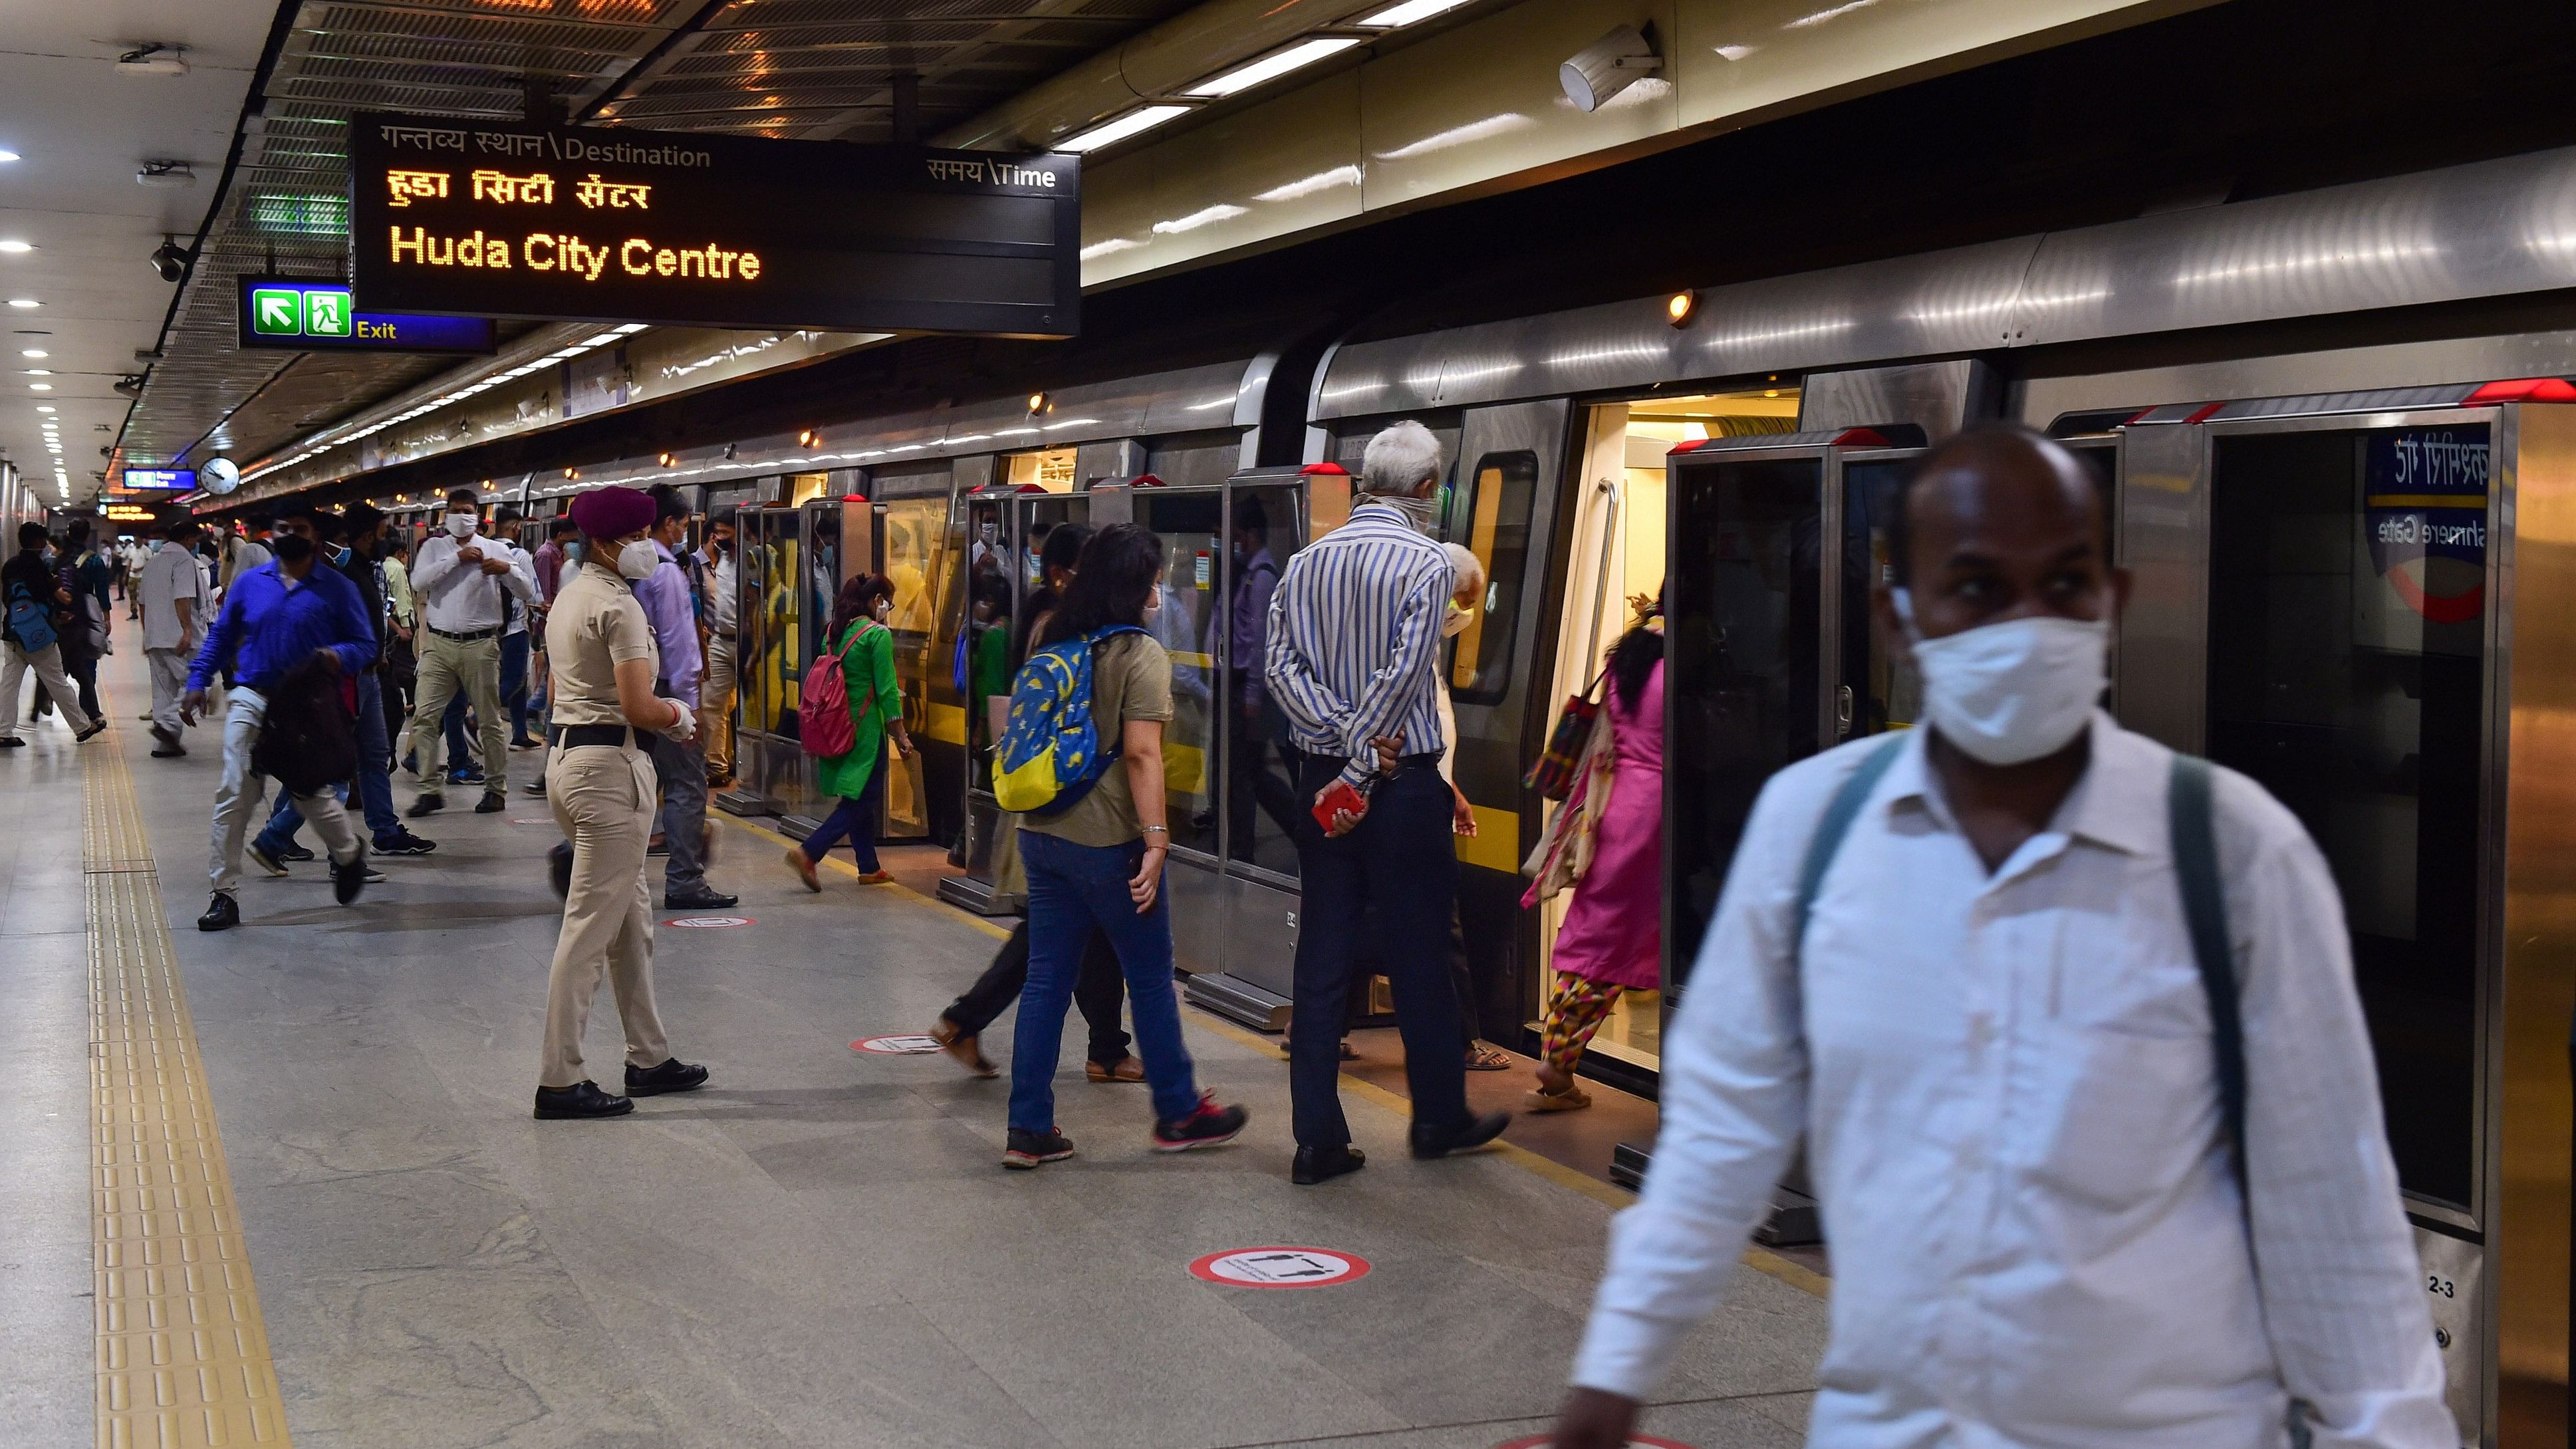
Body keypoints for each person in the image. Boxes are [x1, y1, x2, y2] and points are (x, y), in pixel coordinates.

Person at [1549, 425, 2453, 1449]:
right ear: (1898, 619)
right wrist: (1616, 1368)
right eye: (1976, 587)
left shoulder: (2229, 852)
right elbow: (1723, 1129)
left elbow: (2329, 1196)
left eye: (2061, 582)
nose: (2026, 623)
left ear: (2109, 600)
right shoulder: (1813, 831)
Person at [1264, 420, 1509, 1185]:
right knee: (1421, 952)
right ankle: (1437, 1117)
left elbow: (1278, 669)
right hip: (1401, 790)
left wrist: (1336, 744)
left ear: (1368, 481)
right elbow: (1408, 673)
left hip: (1321, 783)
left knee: (1322, 951)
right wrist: (1369, 756)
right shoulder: (1426, 562)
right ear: (1429, 489)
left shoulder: (1306, 562)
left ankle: (1317, 1138)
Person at [1001, 523, 1247, 1169]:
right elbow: (1141, 753)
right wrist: (1157, 841)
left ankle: (1028, 1127)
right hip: (1109, 844)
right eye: (1154, 580)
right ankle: (1178, 1111)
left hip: (1042, 835)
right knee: (1149, 977)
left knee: (1046, 980)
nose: (1159, 591)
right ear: (1136, 586)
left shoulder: (1056, 636)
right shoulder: (1139, 654)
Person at [931, 521, 1140, 1085]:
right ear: (1061, 574)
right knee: (1051, 939)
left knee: (1083, 937)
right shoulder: (1062, 629)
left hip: (1052, 804)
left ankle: (1105, 1048)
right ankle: (968, 1020)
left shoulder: (1052, 623)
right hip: (1066, 806)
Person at [534, 485, 708, 1120]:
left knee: (630, 921)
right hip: (610, 772)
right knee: (587, 929)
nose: (648, 546)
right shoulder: (620, 608)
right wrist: (681, 716)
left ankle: (650, 1057)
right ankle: (560, 1078)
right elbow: (639, 705)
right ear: (607, 543)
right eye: (637, 536)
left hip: (569, 761)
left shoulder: (569, 596)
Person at [184, 531, 376, 933]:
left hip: (304, 705)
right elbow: (222, 633)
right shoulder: (252, 583)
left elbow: (364, 644)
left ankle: (347, 853)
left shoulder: (337, 588)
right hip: (251, 695)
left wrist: (336, 655)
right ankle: (224, 894)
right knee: (235, 790)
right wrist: (198, 679)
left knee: (310, 794)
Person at [1517, 592, 1662, 1113]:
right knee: (1621, 942)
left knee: (1595, 928)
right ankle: (1557, 1064)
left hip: (1612, 805)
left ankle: (1558, 1055)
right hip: (1657, 814)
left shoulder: (1628, 657)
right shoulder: (1690, 666)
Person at [249, 506, 436, 870]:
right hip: (342, 684)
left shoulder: (363, 571)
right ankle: (285, 840)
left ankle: (383, 830)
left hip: (368, 678)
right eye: (380, 533)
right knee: (328, 769)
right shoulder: (331, 577)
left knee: (372, 758)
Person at [406, 487, 536, 815]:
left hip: (481, 644)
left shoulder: (495, 550)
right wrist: (455, 560)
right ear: (446, 514)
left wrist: (507, 570)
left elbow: (528, 591)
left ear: (478, 515)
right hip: (438, 644)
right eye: (454, 510)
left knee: (490, 721)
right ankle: (429, 788)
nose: (461, 517)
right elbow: (419, 582)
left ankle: (495, 789)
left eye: (467, 510)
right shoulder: (435, 548)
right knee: (424, 718)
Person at [635, 485, 733, 911]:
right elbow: (678, 644)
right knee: (687, 786)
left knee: (632, 785)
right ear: (670, 523)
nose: (684, 531)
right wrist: (689, 708)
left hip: (632, 688)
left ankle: (575, 856)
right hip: (665, 695)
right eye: (684, 523)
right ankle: (685, 882)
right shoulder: (666, 572)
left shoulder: (630, 566)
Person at [783, 572, 914, 889]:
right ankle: (810, 851)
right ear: (877, 601)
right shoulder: (877, 635)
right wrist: (901, 735)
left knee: (858, 797)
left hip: (836, 726)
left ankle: (868, 866)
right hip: (866, 732)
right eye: (888, 603)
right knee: (863, 798)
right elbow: (886, 690)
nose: (888, 609)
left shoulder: (834, 631)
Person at [1, 521, 101, 745]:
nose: (45, 545)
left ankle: (3, 731)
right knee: (57, 681)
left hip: (13, 632)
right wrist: (58, 615)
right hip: (39, 636)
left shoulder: (10, 565)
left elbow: (7, 597)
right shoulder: (39, 567)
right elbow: (49, 598)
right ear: (37, 542)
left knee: (9, 683)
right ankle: (82, 726)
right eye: (43, 541)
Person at [140, 520, 209, 757]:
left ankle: (164, 745)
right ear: (188, 539)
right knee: (199, 682)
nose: (196, 546)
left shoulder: (153, 561)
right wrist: (187, 630)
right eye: (196, 541)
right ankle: (169, 723)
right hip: (177, 636)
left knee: (163, 691)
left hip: (155, 635)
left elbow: (142, 603)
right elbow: (183, 597)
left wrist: (145, 633)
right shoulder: (184, 561)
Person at [54, 519, 112, 724]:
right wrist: (106, 618)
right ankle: (88, 708)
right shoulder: (95, 561)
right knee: (88, 661)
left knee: (60, 663)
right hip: (85, 615)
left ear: (68, 533)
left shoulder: (59, 559)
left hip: (60, 615)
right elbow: (103, 592)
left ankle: (52, 698)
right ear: (87, 536)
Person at [694, 515, 737, 787]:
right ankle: (717, 766)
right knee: (712, 703)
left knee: (742, 705)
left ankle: (739, 762)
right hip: (721, 639)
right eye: (717, 533)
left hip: (750, 640)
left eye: (726, 533)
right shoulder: (720, 562)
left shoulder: (751, 558)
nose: (720, 538)